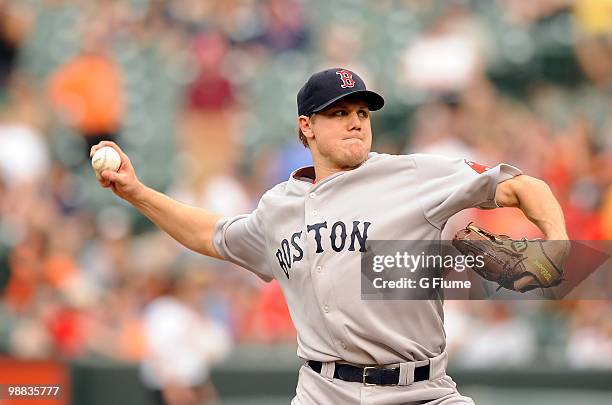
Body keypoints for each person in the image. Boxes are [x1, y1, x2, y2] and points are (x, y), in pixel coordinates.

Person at [91, 68, 568, 404]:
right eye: (339, 113)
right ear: (307, 127)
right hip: (324, 393)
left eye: (362, 111)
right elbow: (210, 234)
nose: (356, 120)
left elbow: (520, 186)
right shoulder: (279, 206)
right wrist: (135, 192)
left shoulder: (416, 175)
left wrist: (557, 238)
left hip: (421, 392)